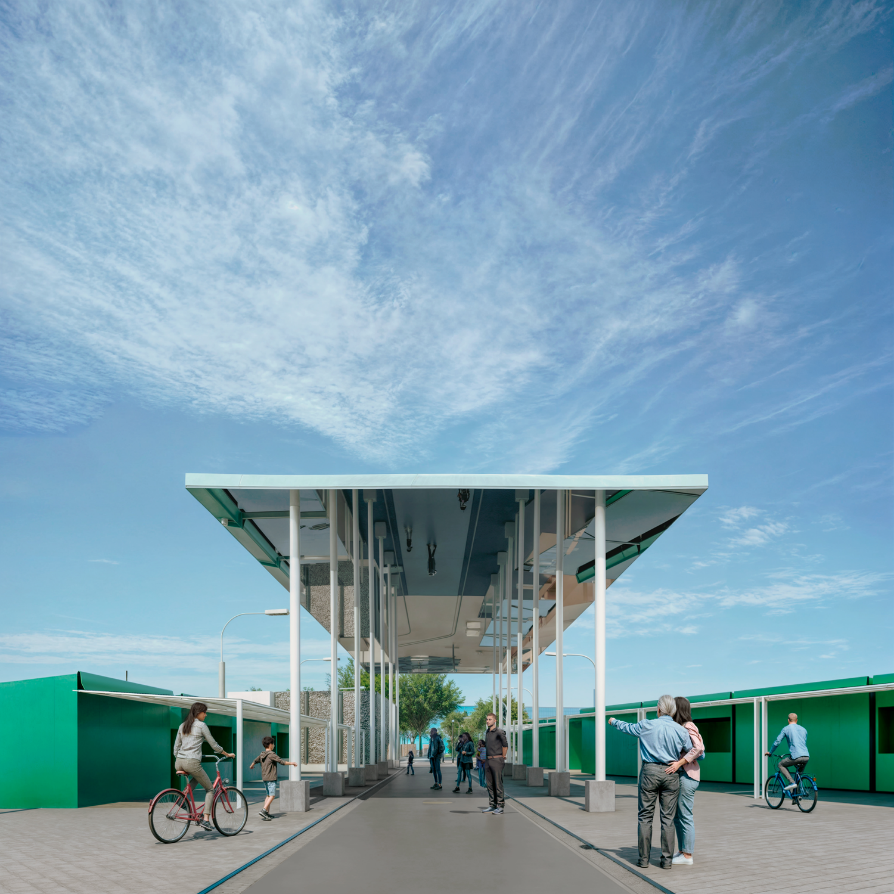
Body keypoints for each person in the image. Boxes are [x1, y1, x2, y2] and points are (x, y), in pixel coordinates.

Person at [609, 694, 692, 870]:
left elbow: (628, 728)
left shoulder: (647, 724)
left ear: (659, 709)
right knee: (668, 819)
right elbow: (694, 752)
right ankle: (667, 861)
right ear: (674, 710)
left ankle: (643, 860)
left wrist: (614, 721)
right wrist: (679, 763)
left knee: (645, 817)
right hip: (671, 774)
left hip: (649, 772)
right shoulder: (681, 730)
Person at [173, 702, 235, 832]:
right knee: (210, 789)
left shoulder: (182, 725)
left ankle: (182, 800)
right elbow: (214, 746)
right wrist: (227, 754)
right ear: (198, 713)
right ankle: (206, 820)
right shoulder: (201, 726)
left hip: (179, 761)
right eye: (204, 712)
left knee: (197, 777)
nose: (206, 715)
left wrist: (182, 758)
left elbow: (176, 748)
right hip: (192, 762)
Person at [664, 697, 705, 866]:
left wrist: (680, 763)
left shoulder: (688, 726)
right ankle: (682, 851)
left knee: (685, 815)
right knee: (678, 816)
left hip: (688, 777)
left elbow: (699, 749)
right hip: (684, 776)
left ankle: (687, 855)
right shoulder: (681, 727)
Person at [249, 736, 298, 821]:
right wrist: (292, 763)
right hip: (271, 778)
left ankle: (267, 814)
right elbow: (281, 762)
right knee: (272, 795)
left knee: (268, 796)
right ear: (270, 744)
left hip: (264, 778)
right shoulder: (271, 754)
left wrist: (252, 765)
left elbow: (255, 760)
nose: (274, 745)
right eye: (273, 744)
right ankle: (264, 810)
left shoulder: (262, 754)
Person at [766, 713, 809, 791]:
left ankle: (791, 782)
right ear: (796, 720)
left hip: (796, 756)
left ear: (788, 720)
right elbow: (803, 742)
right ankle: (797, 796)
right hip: (806, 756)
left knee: (781, 765)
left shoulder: (786, 728)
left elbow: (777, 741)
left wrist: (770, 752)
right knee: (798, 776)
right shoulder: (803, 729)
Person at [482, 711, 508, 815]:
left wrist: (503, 756)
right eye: (487, 719)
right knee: (489, 784)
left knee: (498, 784)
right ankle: (492, 805)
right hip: (488, 761)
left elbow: (505, 745)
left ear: (495, 720)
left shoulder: (499, 732)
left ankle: (500, 806)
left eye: (490, 719)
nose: (488, 721)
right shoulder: (487, 732)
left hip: (497, 760)